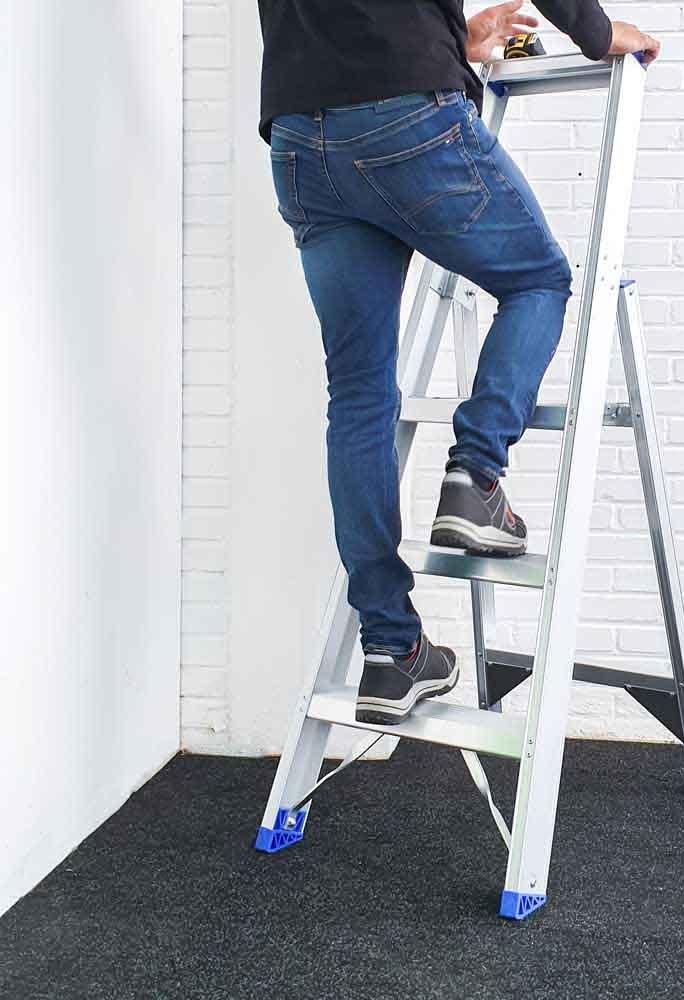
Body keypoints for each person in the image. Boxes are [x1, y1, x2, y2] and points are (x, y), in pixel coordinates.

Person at [256, 1, 660, 725]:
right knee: (538, 280)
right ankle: (476, 475)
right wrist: (596, 34)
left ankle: (392, 648)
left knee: (358, 395)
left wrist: (445, 40)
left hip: (298, 137)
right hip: (403, 115)